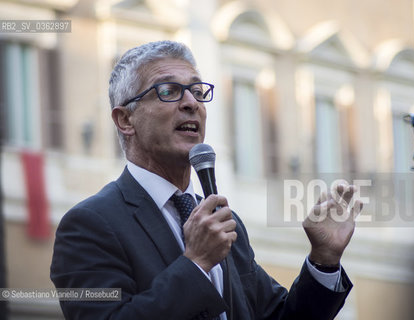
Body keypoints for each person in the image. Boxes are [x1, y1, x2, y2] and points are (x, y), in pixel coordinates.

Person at [50, 40, 363, 320]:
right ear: (125, 119)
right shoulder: (89, 225)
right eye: (168, 91)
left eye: (197, 91)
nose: (192, 103)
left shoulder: (225, 223)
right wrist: (196, 262)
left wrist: (324, 259)